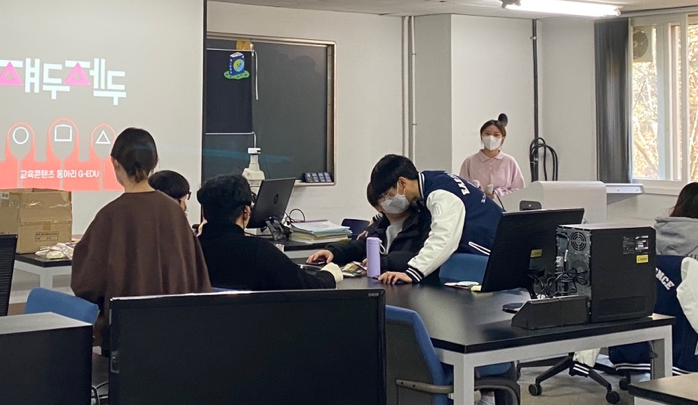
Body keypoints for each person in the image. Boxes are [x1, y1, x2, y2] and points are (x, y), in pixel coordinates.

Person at [71, 129, 210, 328]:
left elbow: (87, 282)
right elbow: (197, 276)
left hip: (127, 331)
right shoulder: (174, 211)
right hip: (176, 329)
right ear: (154, 162)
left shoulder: (111, 215)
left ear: (115, 163)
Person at [306, 155, 503, 285]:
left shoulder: (440, 194)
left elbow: (443, 238)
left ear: (401, 183)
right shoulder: (430, 184)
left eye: (387, 195)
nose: (387, 202)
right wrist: (335, 251)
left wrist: (413, 272)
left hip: (488, 252)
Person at [196, 174, 342, 291]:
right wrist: (328, 275)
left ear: (204, 214)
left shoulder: (192, 251)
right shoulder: (258, 251)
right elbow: (309, 288)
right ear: (246, 212)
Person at [458, 115, 525, 203]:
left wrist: (497, 194)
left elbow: (519, 190)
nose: (491, 138)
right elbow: (461, 189)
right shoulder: (469, 162)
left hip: (504, 207)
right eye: (487, 133)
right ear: (481, 136)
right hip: (477, 208)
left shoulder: (510, 162)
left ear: (502, 138)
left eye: (496, 135)